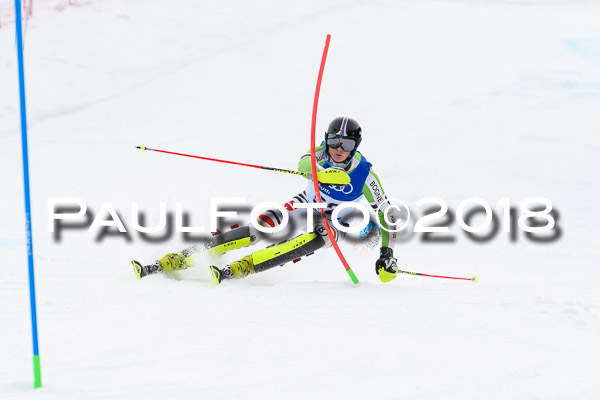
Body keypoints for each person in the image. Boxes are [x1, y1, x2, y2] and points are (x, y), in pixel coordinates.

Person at [131, 117, 399, 284]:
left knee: (320, 234)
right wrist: (322, 172)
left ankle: (244, 267)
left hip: (337, 220)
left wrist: (387, 254)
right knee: (266, 225)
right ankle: (183, 257)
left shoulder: (366, 176)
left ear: (356, 147)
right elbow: (303, 162)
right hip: (306, 204)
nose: (339, 150)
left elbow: (387, 215)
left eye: (347, 146)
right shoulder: (319, 154)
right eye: (334, 142)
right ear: (326, 140)